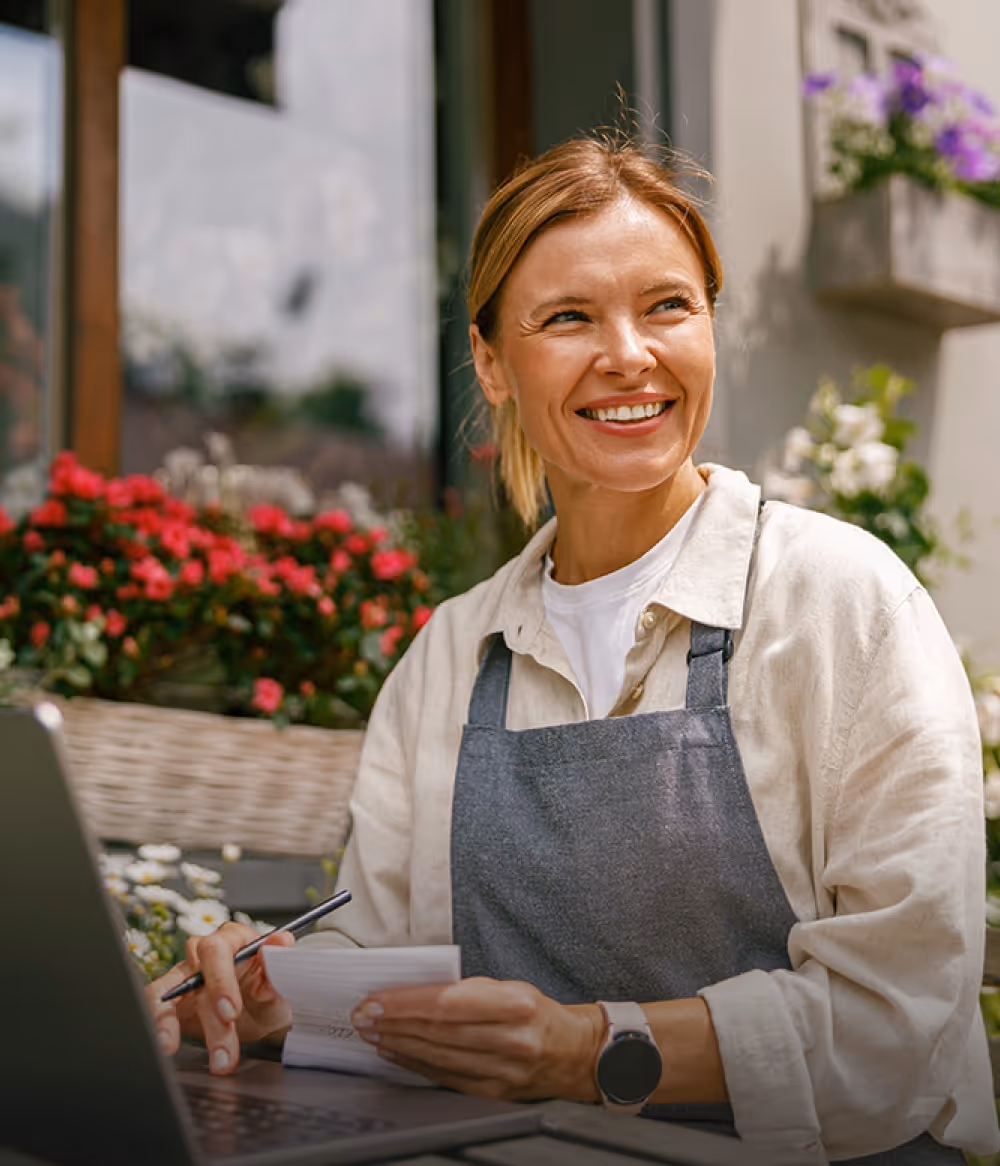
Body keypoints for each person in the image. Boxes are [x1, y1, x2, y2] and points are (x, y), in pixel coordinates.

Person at [150, 134, 1000, 1163]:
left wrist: (587, 1047)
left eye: (667, 306)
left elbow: (895, 1024)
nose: (630, 355)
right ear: (492, 364)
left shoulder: (841, 602)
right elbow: (373, 954)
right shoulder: (450, 654)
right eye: (567, 319)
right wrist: (273, 993)